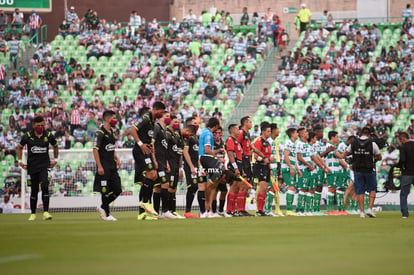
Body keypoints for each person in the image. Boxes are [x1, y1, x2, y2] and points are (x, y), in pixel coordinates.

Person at [17, 115, 58, 221]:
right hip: (32, 167)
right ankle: (33, 214)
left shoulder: (48, 135)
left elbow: (55, 145)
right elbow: (20, 147)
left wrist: (56, 159)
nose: (41, 127)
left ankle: (46, 212)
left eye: (42, 125)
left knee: (45, 186)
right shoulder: (27, 136)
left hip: (44, 166)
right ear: (34, 125)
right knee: (34, 190)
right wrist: (20, 161)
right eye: (38, 125)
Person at [131, 101, 166, 221]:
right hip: (140, 150)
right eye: (160, 112)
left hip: (147, 151)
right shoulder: (145, 118)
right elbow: (132, 130)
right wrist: (141, 144)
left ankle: (142, 212)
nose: (161, 115)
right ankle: (145, 202)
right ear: (155, 109)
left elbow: (149, 139)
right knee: (151, 174)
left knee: (153, 176)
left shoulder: (153, 122)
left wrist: (152, 155)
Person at [342, 127, 382, 218]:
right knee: (372, 189)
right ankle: (370, 209)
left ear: (361, 134)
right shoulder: (372, 144)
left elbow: (345, 154)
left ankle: (362, 212)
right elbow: (379, 157)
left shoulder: (354, 143)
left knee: (360, 191)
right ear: (369, 135)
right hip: (369, 169)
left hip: (358, 170)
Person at [93, 110, 122, 221]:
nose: (115, 120)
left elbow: (111, 147)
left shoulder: (112, 132)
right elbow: (95, 150)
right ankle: (107, 214)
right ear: (107, 119)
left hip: (112, 165)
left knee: (117, 190)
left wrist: (117, 158)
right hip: (104, 166)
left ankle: (102, 207)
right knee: (105, 191)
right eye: (114, 118)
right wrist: (99, 166)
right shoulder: (100, 132)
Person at [198, 117, 225, 218]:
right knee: (220, 168)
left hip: (204, 158)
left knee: (214, 183)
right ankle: (206, 208)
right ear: (216, 126)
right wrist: (218, 158)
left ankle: (209, 210)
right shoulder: (208, 134)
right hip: (205, 157)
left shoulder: (204, 132)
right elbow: (207, 149)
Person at [151, 112, 173, 219]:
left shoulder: (165, 131)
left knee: (158, 187)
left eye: (169, 116)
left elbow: (164, 149)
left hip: (163, 161)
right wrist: (154, 160)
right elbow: (152, 143)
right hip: (157, 161)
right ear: (161, 117)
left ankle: (155, 212)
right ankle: (164, 210)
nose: (169, 118)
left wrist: (167, 162)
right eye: (167, 116)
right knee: (165, 184)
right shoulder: (156, 127)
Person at [183, 117, 203, 218]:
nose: (197, 125)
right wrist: (191, 167)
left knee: (198, 187)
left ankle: (201, 211)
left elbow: (197, 153)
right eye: (194, 123)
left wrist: (200, 167)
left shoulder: (196, 137)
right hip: (189, 165)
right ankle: (187, 211)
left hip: (196, 165)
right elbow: (185, 151)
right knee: (192, 186)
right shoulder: (188, 137)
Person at [253, 122, 273, 216]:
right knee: (262, 188)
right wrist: (265, 159)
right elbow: (256, 156)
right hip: (260, 166)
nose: (270, 133)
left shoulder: (268, 143)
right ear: (263, 132)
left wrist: (270, 168)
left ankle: (262, 210)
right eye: (268, 131)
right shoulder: (258, 141)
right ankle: (259, 210)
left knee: (265, 189)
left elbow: (268, 158)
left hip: (266, 167)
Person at [264, 123, 284, 216]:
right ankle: (266, 210)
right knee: (270, 188)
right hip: (270, 167)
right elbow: (268, 155)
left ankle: (267, 209)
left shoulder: (273, 141)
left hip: (274, 167)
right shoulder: (270, 141)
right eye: (277, 129)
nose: (279, 130)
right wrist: (270, 168)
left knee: (272, 189)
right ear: (273, 130)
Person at [282, 128, 300, 216]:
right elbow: (286, 156)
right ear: (292, 134)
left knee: (292, 188)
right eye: (296, 133)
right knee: (291, 187)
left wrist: (297, 169)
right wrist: (291, 168)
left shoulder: (293, 144)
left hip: (291, 168)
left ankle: (289, 209)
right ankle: (288, 210)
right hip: (287, 168)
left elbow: (294, 159)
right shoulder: (288, 143)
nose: (298, 134)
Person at [397, 132, 414, 219]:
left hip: (407, 173)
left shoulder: (403, 147)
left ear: (403, 139)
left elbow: (402, 160)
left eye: (400, 140)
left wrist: (398, 169)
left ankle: (405, 214)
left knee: (404, 194)